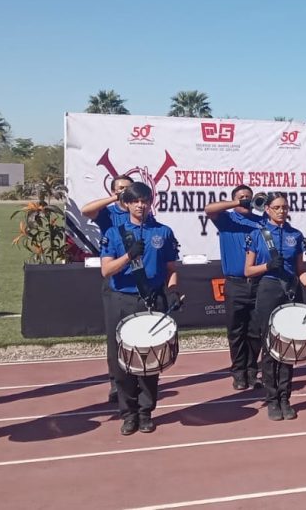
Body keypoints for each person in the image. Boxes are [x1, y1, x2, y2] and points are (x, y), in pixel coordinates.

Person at [100, 182, 180, 435]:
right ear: (126, 204)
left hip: (151, 300)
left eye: (145, 200)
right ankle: (128, 413)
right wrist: (129, 256)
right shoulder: (114, 233)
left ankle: (146, 412)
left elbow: (171, 268)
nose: (140, 205)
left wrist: (173, 291)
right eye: (135, 201)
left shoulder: (163, 232)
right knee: (122, 359)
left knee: (149, 360)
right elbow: (106, 270)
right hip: (122, 300)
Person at [245, 192, 306, 421]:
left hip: (291, 290)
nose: (281, 211)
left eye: (284, 207)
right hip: (268, 289)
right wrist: (267, 265)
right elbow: (247, 271)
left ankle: (285, 397)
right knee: (270, 347)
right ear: (267, 209)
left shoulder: (295, 235)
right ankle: (272, 398)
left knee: (289, 347)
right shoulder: (257, 234)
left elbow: (300, 269)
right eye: (276, 207)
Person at [204, 185, 265, 390]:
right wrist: (238, 203)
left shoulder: (261, 221)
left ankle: (252, 370)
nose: (247, 200)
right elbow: (209, 209)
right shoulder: (227, 219)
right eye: (242, 197)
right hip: (235, 283)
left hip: (258, 283)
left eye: (249, 197)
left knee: (256, 331)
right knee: (236, 331)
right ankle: (238, 373)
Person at [80, 174, 134, 403]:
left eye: (128, 189)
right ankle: (115, 382)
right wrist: (113, 198)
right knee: (115, 336)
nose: (124, 192)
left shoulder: (139, 210)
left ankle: (137, 377)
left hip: (136, 278)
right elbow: (86, 210)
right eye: (120, 188)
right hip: (114, 275)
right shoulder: (109, 213)